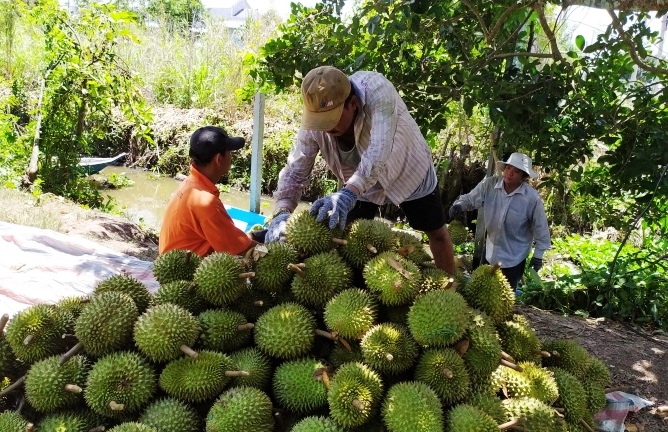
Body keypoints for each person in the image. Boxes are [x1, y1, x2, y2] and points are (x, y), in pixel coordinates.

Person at [264, 66, 455, 275]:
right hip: (356, 178)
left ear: (353, 104)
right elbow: (295, 169)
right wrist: (281, 212)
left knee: (435, 231)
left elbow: (379, 151)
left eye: (332, 122)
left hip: (407, 167)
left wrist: (347, 194)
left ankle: (450, 286)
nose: (327, 129)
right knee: (349, 240)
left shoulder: (378, 91)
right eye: (321, 122)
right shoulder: (315, 121)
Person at [448, 152, 550, 290]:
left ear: (523, 177)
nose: (510, 173)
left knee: (502, 301)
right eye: (508, 168)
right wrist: (459, 205)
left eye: (516, 171)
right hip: (490, 251)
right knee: (479, 291)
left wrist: (538, 256)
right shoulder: (489, 185)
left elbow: (541, 229)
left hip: (514, 258)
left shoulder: (531, 199)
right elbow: (470, 199)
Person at [159, 126, 259, 257]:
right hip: (188, 272)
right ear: (219, 159)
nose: (231, 157)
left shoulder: (190, 184)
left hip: (172, 261)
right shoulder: (206, 202)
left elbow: (231, 238)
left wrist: (257, 235)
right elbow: (240, 249)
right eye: (230, 152)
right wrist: (270, 248)